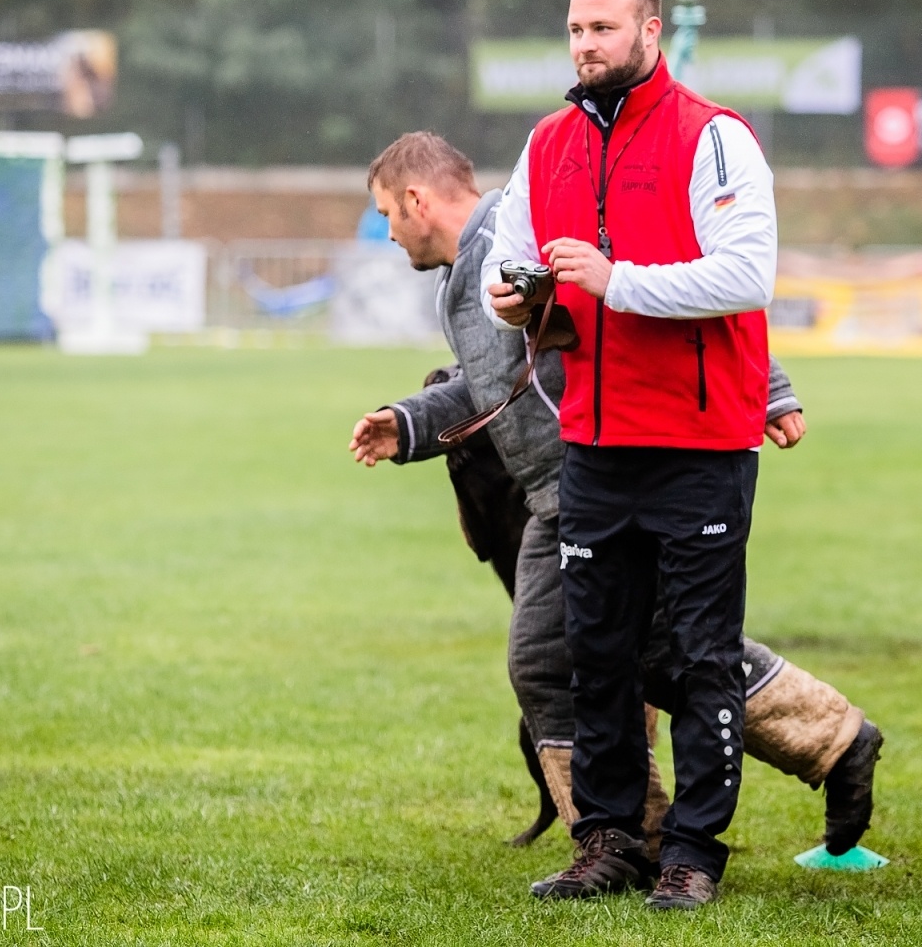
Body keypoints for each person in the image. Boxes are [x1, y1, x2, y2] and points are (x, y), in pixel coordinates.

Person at [349, 130, 883, 890]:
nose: (388, 232)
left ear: (415, 199)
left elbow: (663, 283)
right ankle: (629, 835)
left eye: (385, 215)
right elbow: (492, 384)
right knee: (571, 657)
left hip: (602, 469)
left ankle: (818, 747)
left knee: (654, 651)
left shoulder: (518, 228)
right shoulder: (464, 273)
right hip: (556, 488)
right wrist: (406, 424)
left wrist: (768, 384)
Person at [482, 0, 781, 908]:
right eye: (574, 29)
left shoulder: (716, 136)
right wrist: (510, 295)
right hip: (595, 441)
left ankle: (694, 849)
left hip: (700, 442)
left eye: (603, 28)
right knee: (595, 650)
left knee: (699, 656)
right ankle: (610, 840)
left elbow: (747, 274)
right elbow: (508, 259)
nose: (585, 45)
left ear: (651, 31)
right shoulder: (547, 142)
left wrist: (617, 280)